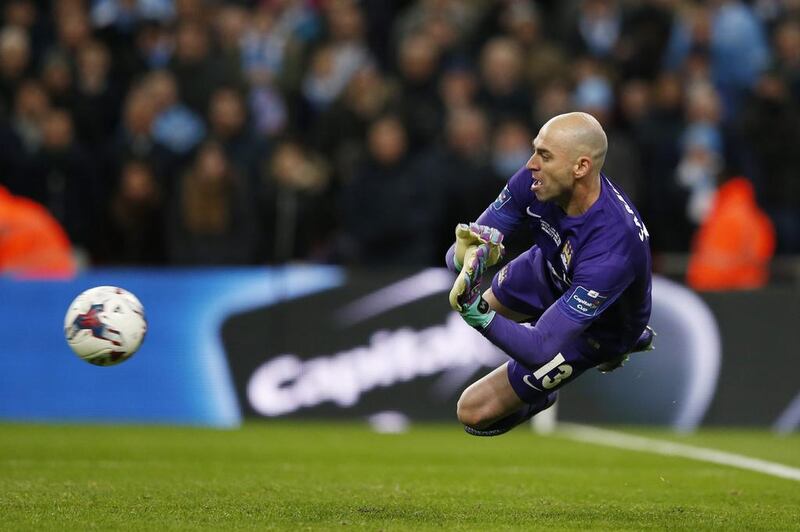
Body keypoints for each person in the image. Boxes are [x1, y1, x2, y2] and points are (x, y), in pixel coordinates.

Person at [446, 112, 654, 437]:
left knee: (472, 411)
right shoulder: (536, 180)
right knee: (492, 303)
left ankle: (550, 388)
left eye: (544, 155)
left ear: (580, 167)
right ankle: (550, 327)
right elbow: (464, 252)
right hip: (548, 267)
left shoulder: (613, 247)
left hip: (601, 330)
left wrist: (476, 312)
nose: (531, 163)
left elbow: (540, 349)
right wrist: (466, 254)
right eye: (535, 150)